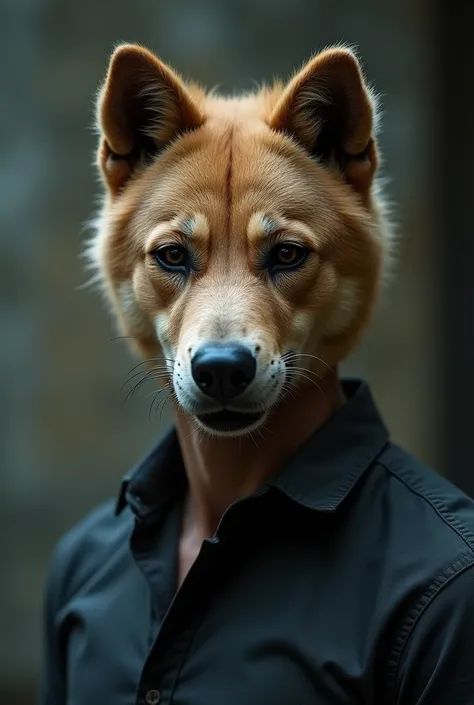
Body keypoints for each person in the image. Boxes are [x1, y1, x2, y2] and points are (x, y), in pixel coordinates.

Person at [38, 43, 474, 705]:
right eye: (174, 256)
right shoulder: (82, 570)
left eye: (286, 254)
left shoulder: (445, 584)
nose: (222, 339)